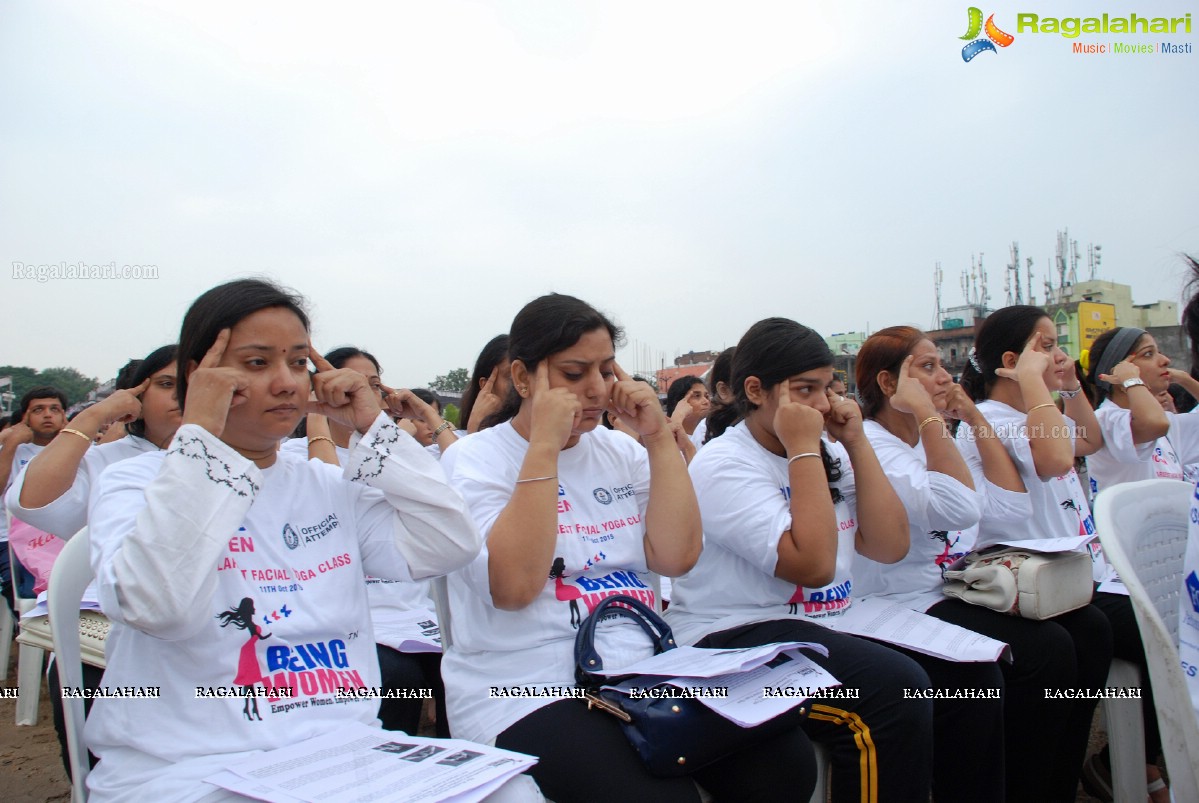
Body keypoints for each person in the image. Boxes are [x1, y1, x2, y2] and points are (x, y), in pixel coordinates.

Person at [83, 279, 482, 799]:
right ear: (197, 377)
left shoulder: (326, 485)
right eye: (255, 363)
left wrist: (372, 426)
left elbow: (450, 544)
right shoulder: (136, 483)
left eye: (298, 363)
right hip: (192, 767)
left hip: (344, 751)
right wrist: (202, 434)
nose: (287, 383)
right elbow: (160, 609)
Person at [441, 294, 817, 802]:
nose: (596, 389)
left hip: (640, 667)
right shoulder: (473, 461)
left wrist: (658, 436)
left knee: (780, 761)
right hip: (525, 683)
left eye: (605, 370)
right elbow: (512, 588)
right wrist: (545, 446)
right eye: (573, 374)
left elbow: (675, 557)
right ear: (523, 378)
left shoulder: (620, 451)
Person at [664, 317, 941, 803]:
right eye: (804, 389)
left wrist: (855, 442)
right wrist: (800, 448)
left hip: (820, 625)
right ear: (756, 390)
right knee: (891, 693)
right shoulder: (725, 463)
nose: (820, 404)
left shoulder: (829, 450)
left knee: (971, 683)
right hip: (734, 634)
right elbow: (811, 567)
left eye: (828, 387)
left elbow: (888, 545)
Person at [854, 325, 1126, 802]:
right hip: (904, 599)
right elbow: (960, 509)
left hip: (954, 586)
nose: (945, 378)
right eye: (928, 367)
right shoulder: (875, 446)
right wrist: (929, 415)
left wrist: (969, 414)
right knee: (1041, 653)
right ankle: (1021, 786)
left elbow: (1007, 506)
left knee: (1090, 629)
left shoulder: (933, 439)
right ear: (887, 383)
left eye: (943, 365)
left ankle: (1052, 784)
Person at [956, 304, 1115, 802]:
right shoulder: (1000, 421)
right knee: (1066, 652)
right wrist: (1035, 382)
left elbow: (1088, 438)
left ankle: (1063, 778)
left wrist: (1066, 386)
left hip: (1059, 573)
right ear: (1011, 360)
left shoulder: (1034, 413)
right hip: (1018, 577)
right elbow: (1055, 458)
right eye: (1047, 346)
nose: (1059, 354)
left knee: (1092, 634)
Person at [459, 334, 511, 434]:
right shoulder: (455, 440)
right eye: (510, 377)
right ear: (485, 385)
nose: (520, 383)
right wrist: (475, 424)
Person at [664, 375, 711, 450]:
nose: (706, 401)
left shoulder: (711, 435)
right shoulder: (663, 438)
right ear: (679, 403)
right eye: (697, 396)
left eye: (706, 396)